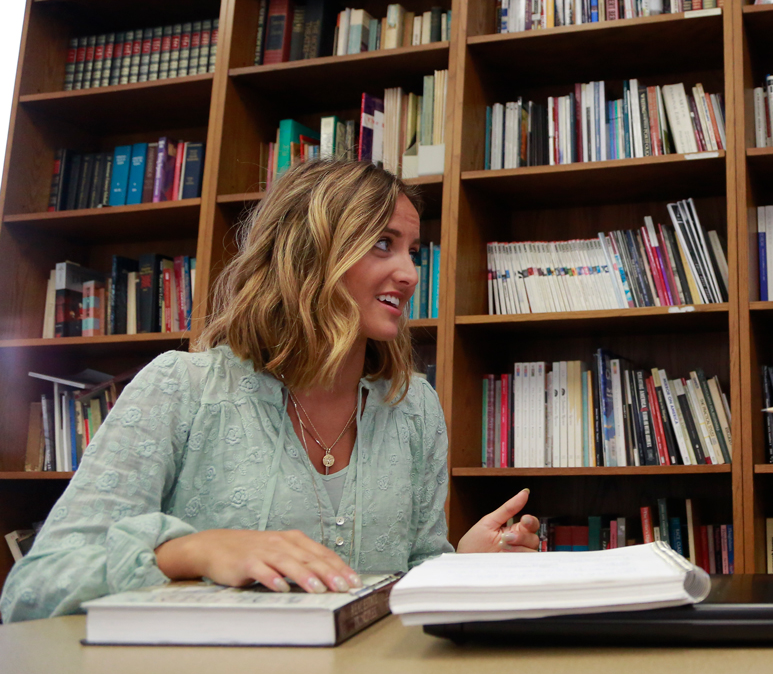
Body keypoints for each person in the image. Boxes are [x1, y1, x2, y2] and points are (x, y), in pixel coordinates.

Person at [2, 160, 539, 623]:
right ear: (309, 253)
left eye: (413, 250)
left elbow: (407, 576)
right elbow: (34, 592)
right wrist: (190, 551)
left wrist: (463, 566)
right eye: (382, 244)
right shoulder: (181, 387)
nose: (410, 272)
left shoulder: (414, 405)